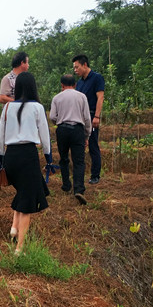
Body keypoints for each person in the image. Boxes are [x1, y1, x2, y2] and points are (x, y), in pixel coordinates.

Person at [0, 71, 52, 254]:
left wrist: (1, 160)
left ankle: (14, 228)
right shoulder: (37, 107)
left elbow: (0, 137)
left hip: (11, 156)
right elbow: (45, 136)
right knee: (27, 201)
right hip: (28, 155)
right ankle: (19, 248)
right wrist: (48, 158)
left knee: (23, 192)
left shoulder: (7, 108)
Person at [49, 75, 92, 204]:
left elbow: (52, 117)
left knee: (63, 159)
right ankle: (78, 189)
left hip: (62, 130)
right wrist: (87, 135)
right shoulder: (82, 97)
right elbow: (87, 118)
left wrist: (60, 122)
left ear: (62, 85)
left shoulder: (57, 98)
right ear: (75, 85)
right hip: (77, 130)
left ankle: (66, 185)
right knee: (79, 161)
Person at [72, 55, 105, 185]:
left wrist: (96, 116)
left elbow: (100, 97)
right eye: (74, 68)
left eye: (77, 67)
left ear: (84, 65)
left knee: (92, 145)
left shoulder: (97, 78)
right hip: (79, 117)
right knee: (79, 146)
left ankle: (95, 175)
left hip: (91, 116)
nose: (75, 70)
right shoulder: (80, 83)